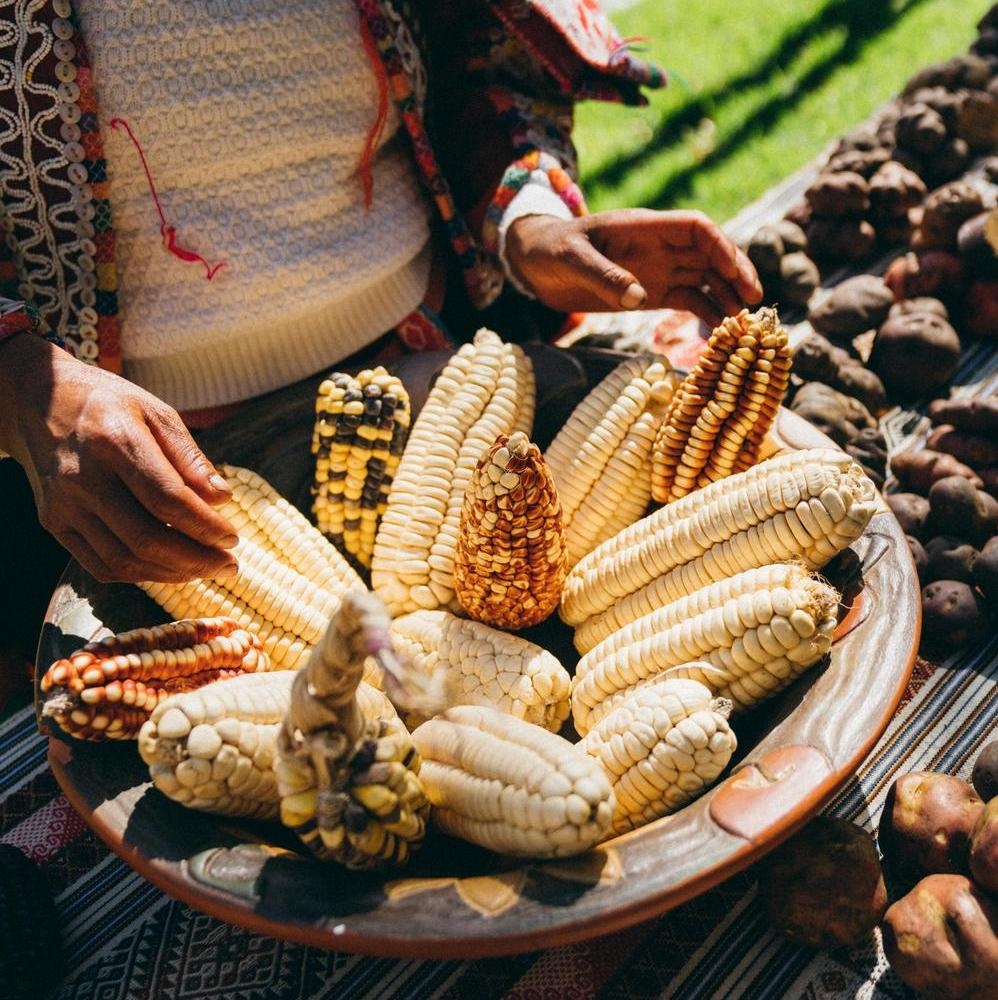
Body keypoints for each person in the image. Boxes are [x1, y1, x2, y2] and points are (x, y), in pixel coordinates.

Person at [0, 0, 760, 663]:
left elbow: (478, 47)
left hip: (439, 361)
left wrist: (527, 221)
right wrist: (20, 375)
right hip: (108, 468)